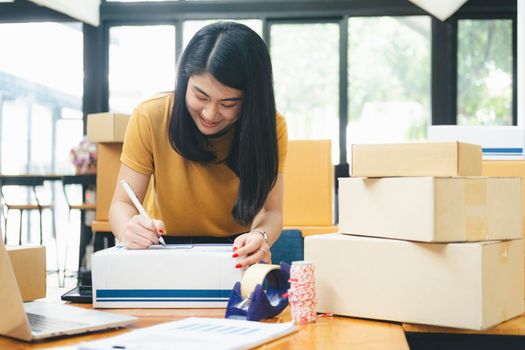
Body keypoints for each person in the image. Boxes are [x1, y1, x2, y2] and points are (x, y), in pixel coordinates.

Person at [109, 21, 288, 269]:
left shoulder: (269, 126)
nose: (210, 113)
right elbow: (122, 204)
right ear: (184, 80)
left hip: (236, 252)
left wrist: (260, 237)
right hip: (161, 248)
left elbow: (271, 211)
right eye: (200, 96)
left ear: (251, 100)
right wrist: (128, 228)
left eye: (228, 103)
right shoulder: (151, 115)